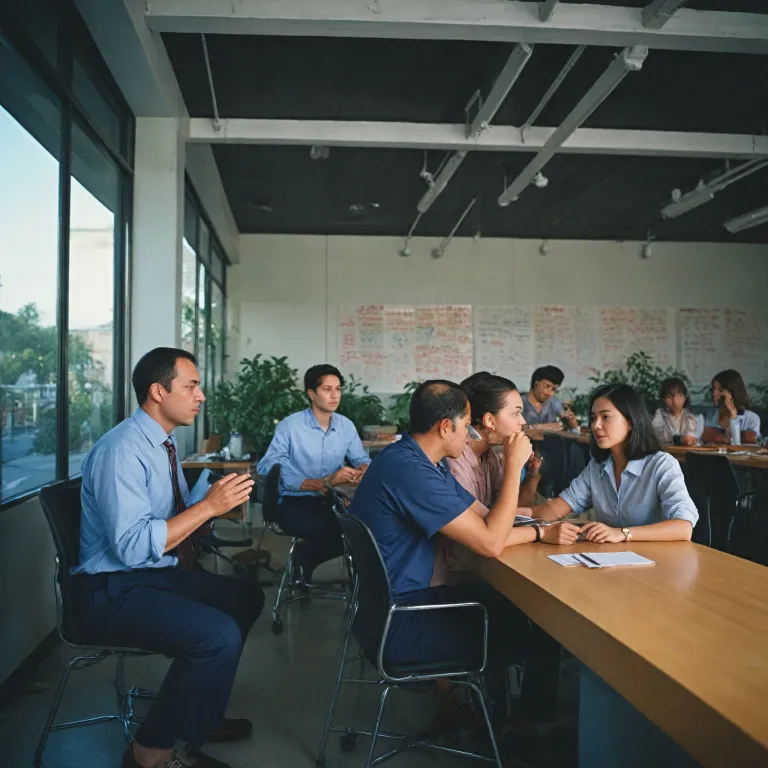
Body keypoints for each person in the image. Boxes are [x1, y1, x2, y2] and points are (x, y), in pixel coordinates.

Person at [71, 348, 264, 768]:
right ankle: (149, 754)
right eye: (192, 386)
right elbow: (132, 545)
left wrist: (211, 502)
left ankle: (198, 713)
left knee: (246, 599)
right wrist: (207, 508)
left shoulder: (164, 443)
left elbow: (172, 522)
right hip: (108, 592)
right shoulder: (121, 450)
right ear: (158, 391)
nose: (201, 396)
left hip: (147, 576)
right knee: (217, 635)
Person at [349, 380, 577, 736]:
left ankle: (486, 716)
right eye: (466, 423)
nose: (470, 433)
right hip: (402, 621)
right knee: (536, 627)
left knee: (511, 607)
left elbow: (484, 517)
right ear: (445, 426)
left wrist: (538, 527)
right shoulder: (413, 472)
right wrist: (515, 467)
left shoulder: (423, 462)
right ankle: (508, 733)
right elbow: (488, 543)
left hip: (390, 608)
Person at [533, 383, 699, 542]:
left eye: (605, 417)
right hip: (611, 561)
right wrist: (512, 516)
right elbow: (554, 510)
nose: (596, 426)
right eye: (593, 418)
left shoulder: (662, 465)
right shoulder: (597, 466)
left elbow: (684, 528)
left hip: (658, 562)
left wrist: (622, 533)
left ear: (630, 422)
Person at [257, 364, 369, 586]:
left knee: (364, 529)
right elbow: (267, 465)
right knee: (339, 529)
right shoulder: (291, 426)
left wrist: (363, 469)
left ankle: (307, 558)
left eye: (338, 389)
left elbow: (362, 459)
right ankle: (306, 558)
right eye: (327, 389)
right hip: (292, 502)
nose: (334, 395)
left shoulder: (345, 426)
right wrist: (322, 482)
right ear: (311, 394)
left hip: (331, 501)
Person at [701, 369, 760, 445]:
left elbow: (747, 443)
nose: (714, 393)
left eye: (720, 390)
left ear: (733, 392)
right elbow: (704, 438)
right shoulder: (708, 416)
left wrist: (733, 416)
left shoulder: (752, 418)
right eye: (714, 388)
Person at [522, 365, 579, 432]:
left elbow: (575, 431)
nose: (550, 393)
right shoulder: (519, 403)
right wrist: (542, 427)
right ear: (536, 383)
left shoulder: (553, 402)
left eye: (554, 389)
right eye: (546, 386)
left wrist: (572, 422)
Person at [651, 377, 700, 446]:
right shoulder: (660, 415)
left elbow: (697, 439)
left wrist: (692, 440)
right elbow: (655, 436)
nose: (675, 402)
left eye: (680, 396)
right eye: (669, 397)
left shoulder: (692, 418)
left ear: (685, 397)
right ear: (663, 398)